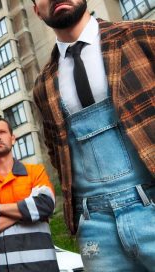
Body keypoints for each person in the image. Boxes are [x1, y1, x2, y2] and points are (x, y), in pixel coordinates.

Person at [32, 0, 155, 270]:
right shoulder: (43, 86)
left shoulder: (143, 36)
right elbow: (57, 153)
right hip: (96, 229)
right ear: (36, 10)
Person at [0, 116, 58, 272]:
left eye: (2, 132)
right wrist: (27, 210)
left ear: (12, 139)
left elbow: (45, 205)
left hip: (42, 267)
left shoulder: (35, 171)